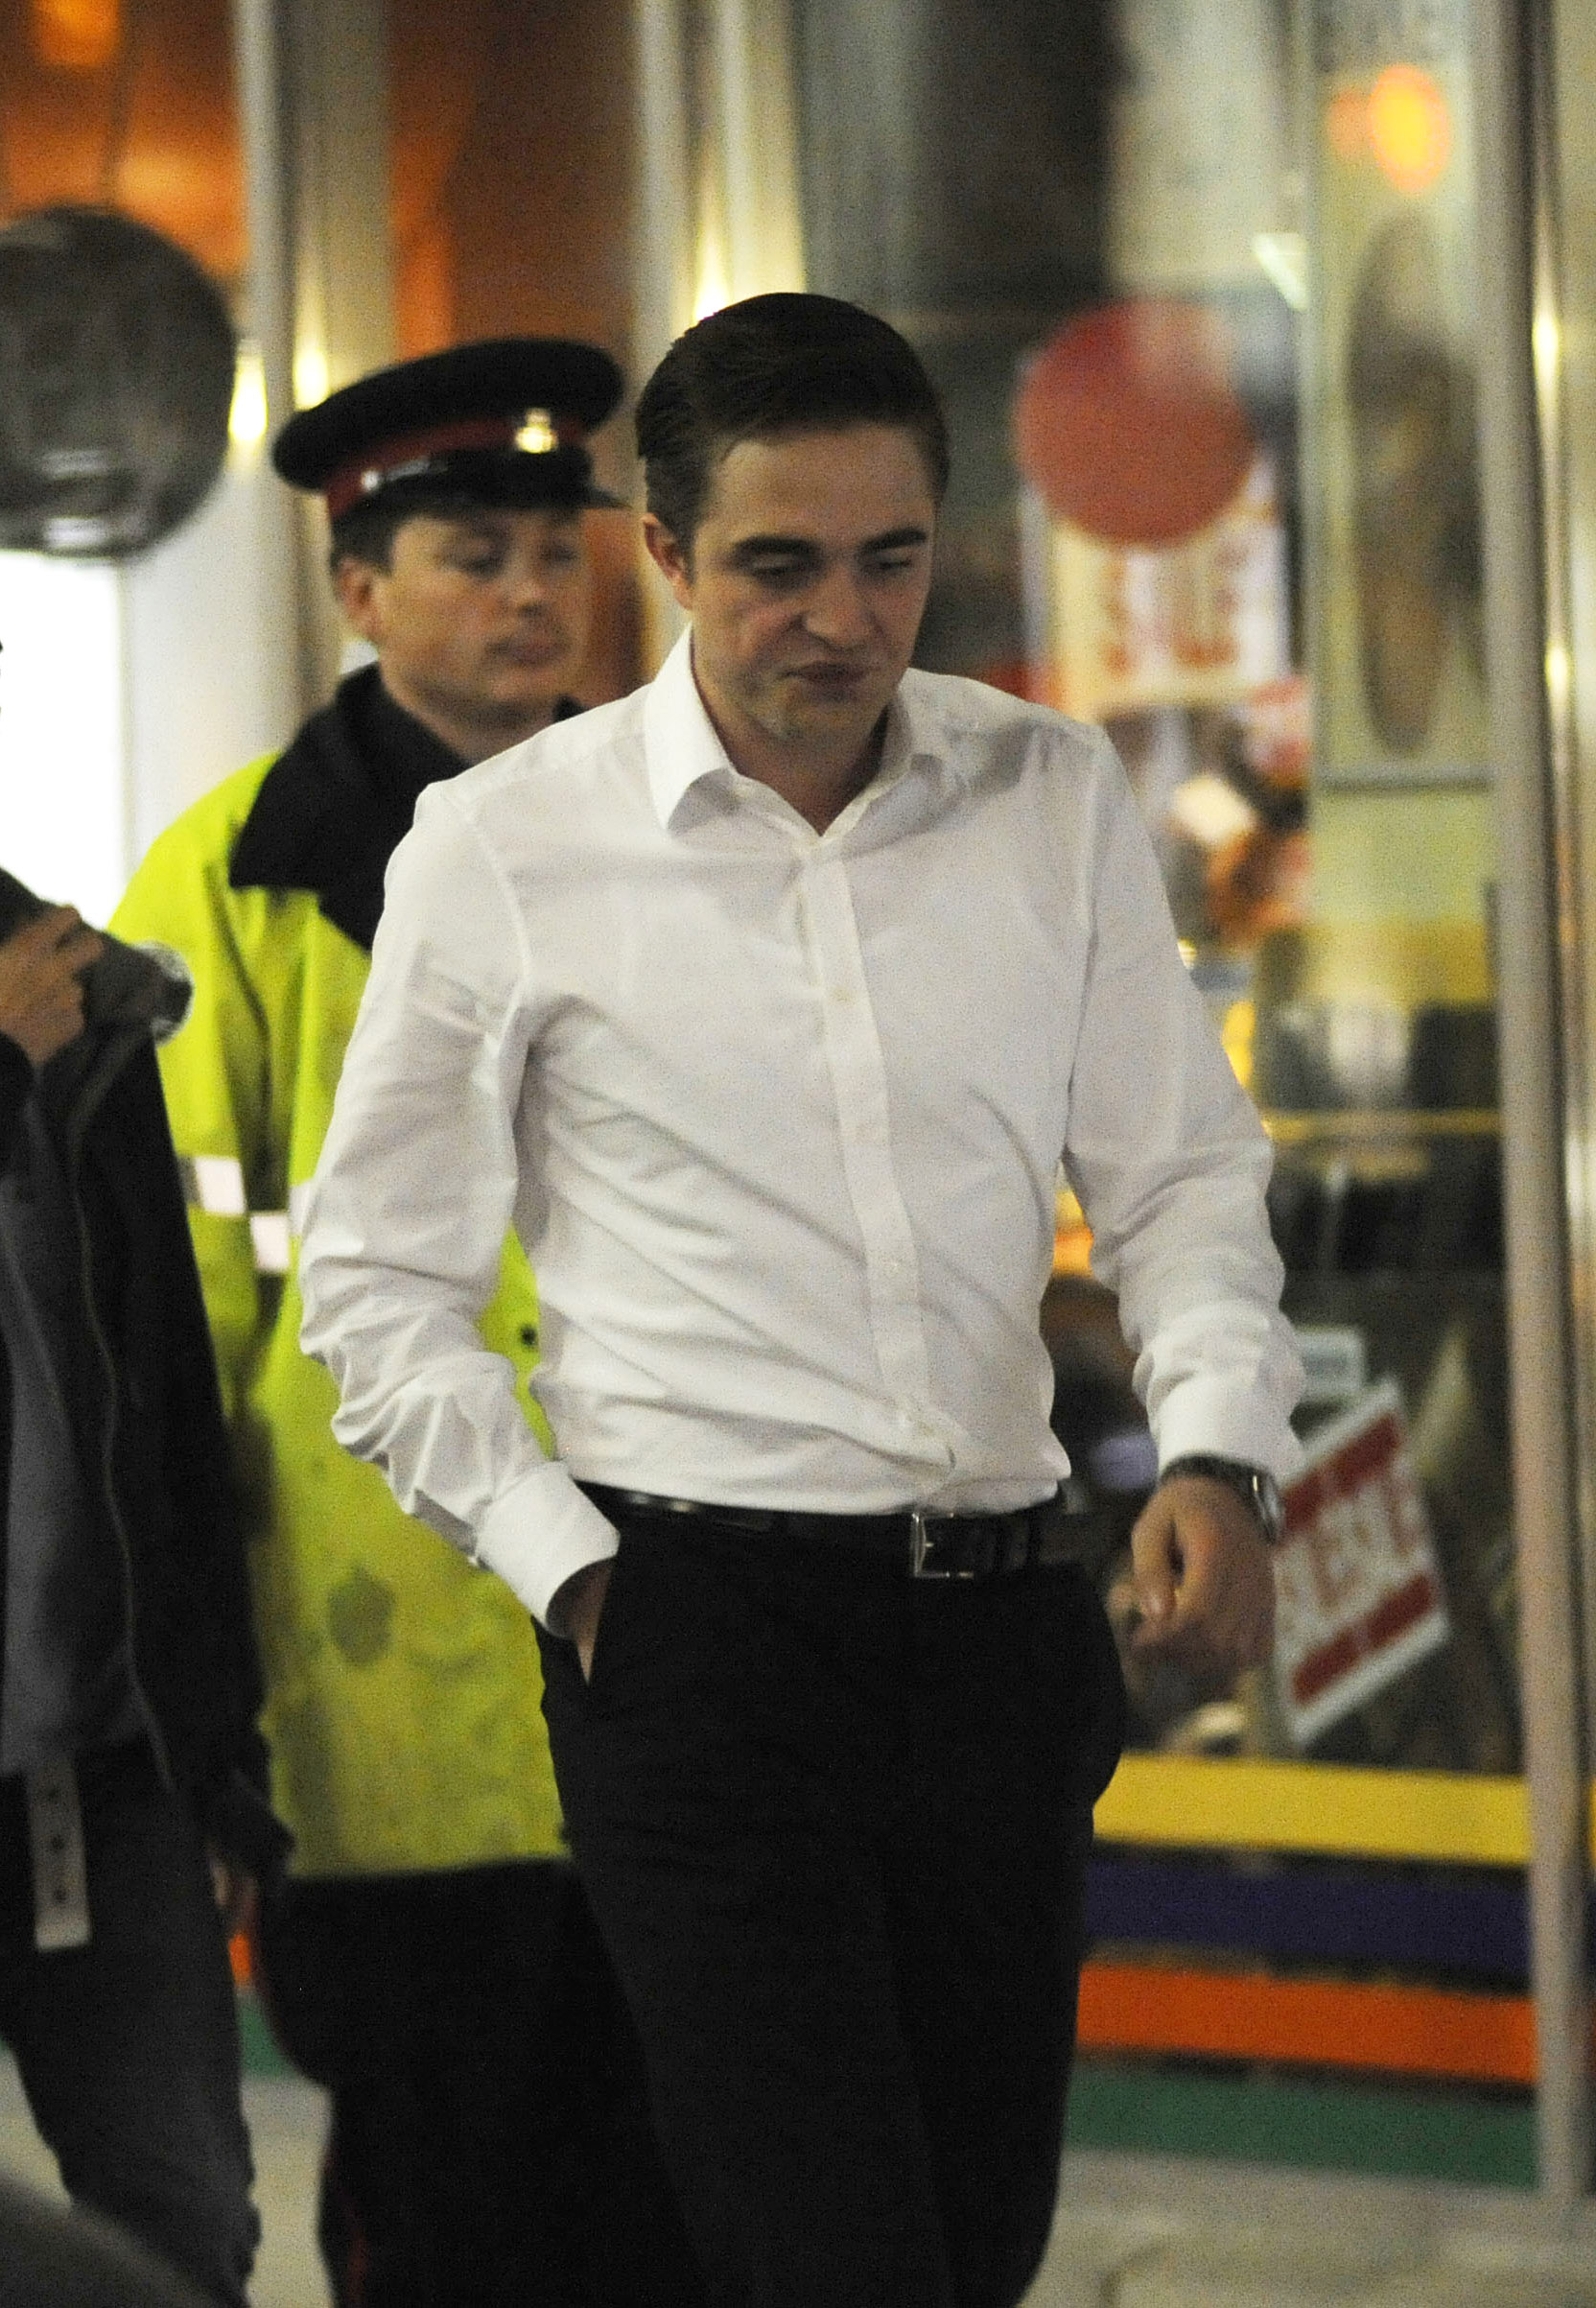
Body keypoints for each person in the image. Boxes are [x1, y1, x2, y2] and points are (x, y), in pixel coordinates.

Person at [297, 294, 1303, 2308]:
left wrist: (1215, 1449)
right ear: (666, 554)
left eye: (889, 559)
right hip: (697, 1643)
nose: (843, 619)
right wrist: (573, 1572)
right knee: (831, 2260)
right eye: (779, 565)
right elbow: (377, 1284)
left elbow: (1180, 1173)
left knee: (973, 2245)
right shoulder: (506, 845)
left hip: (1001, 1631)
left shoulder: (1048, 794)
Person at [113, 341, 699, 2308]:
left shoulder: (689, 830)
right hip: (381, 1682)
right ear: (359, 591)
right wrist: (195, 1699)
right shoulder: (229, 885)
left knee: (686, 2205)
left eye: (557, 549)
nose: (534, 593)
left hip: (678, 1631)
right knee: (449, 2212)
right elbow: (165, 1330)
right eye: (475, 555)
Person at [0, 876, 284, 2308]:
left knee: (180, 2227)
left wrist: (215, 1747)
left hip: (99, 1770)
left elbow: (165, 1409)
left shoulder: (68, 1004)